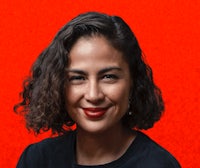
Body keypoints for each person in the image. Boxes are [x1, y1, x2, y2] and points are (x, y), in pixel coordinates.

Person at [14, 12, 181, 168]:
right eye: (78, 78)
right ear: (58, 85)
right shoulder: (36, 160)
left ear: (133, 83)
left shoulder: (158, 164)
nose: (93, 95)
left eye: (108, 77)